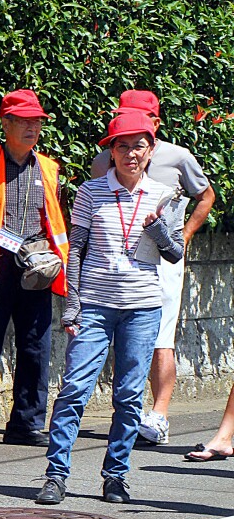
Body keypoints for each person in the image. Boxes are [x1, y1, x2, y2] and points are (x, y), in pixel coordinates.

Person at [35, 112, 183, 505]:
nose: (130, 154)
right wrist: (73, 306)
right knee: (74, 390)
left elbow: (174, 253)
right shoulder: (89, 192)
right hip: (96, 307)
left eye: (139, 146)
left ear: (151, 150)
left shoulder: (163, 196)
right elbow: (76, 251)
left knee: (129, 395)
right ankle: (55, 474)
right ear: (111, 151)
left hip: (142, 307)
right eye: (122, 146)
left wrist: (158, 232)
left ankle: (115, 476)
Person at [88, 90, 216, 445]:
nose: (129, 139)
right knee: (120, 334)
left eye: (140, 122)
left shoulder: (178, 157)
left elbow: (205, 196)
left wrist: (185, 235)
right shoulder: (105, 159)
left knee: (161, 336)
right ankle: (129, 413)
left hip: (164, 260)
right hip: (120, 263)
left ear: (156, 125)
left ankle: (159, 414)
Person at [0, 89, 69, 449]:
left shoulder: (50, 170)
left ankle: (26, 423)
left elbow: (55, 219)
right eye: (24, 121)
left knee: (36, 345)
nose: (33, 127)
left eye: (37, 121)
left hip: (37, 265)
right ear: (6, 124)